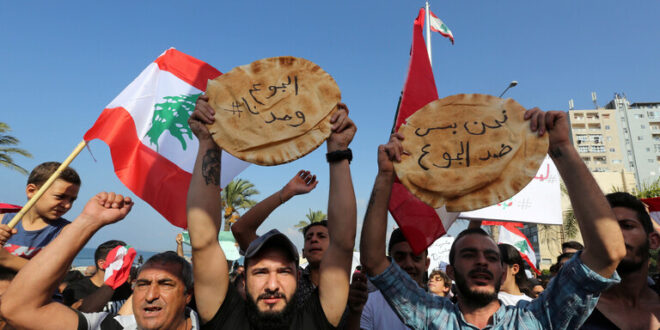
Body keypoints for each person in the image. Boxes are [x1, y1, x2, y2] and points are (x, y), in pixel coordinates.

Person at [360, 109, 626, 329]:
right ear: (450, 272)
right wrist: (385, 175)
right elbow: (373, 260)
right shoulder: (432, 317)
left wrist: (562, 148)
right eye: (468, 255)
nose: (481, 261)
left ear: (502, 270)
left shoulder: (536, 319)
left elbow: (607, 253)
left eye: (491, 257)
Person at [186, 95, 357, 328]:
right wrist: (208, 142)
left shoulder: (315, 321)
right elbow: (203, 237)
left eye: (284, 272)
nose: (273, 285)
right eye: (261, 272)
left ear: (298, 278)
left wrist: (338, 150)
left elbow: (343, 243)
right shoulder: (225, 317)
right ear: (243, 280)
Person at [231, 170, 320, 307]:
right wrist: (284, 194)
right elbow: (241, 230)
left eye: (321, 236)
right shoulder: (290, 280)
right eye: (309, 237)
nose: (272, 285)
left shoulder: (344, 290)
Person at [581, 192, 660, 329]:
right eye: (606, 228)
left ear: (653, 240)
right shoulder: (573, 312)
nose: (616, 234)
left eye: (627, 226)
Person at [0, 162, 81, 270]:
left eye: (72, 200)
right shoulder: (2, 220)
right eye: (60, 197)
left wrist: (7, 259)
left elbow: (54, 273)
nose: (67, 205)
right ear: (31, 191)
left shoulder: (66, 231)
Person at [345, 228, 429, 330]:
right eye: (400, 257)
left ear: (426, 264)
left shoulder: (443, 311)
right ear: (389, 262)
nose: (408, 264)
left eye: (416, 257)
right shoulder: (369, 304)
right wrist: (355, 314)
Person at [63, 240, 132, 313]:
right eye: (119, 260)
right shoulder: (76, 290)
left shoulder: (124, 287)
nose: (126, 264)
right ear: (102, 264)